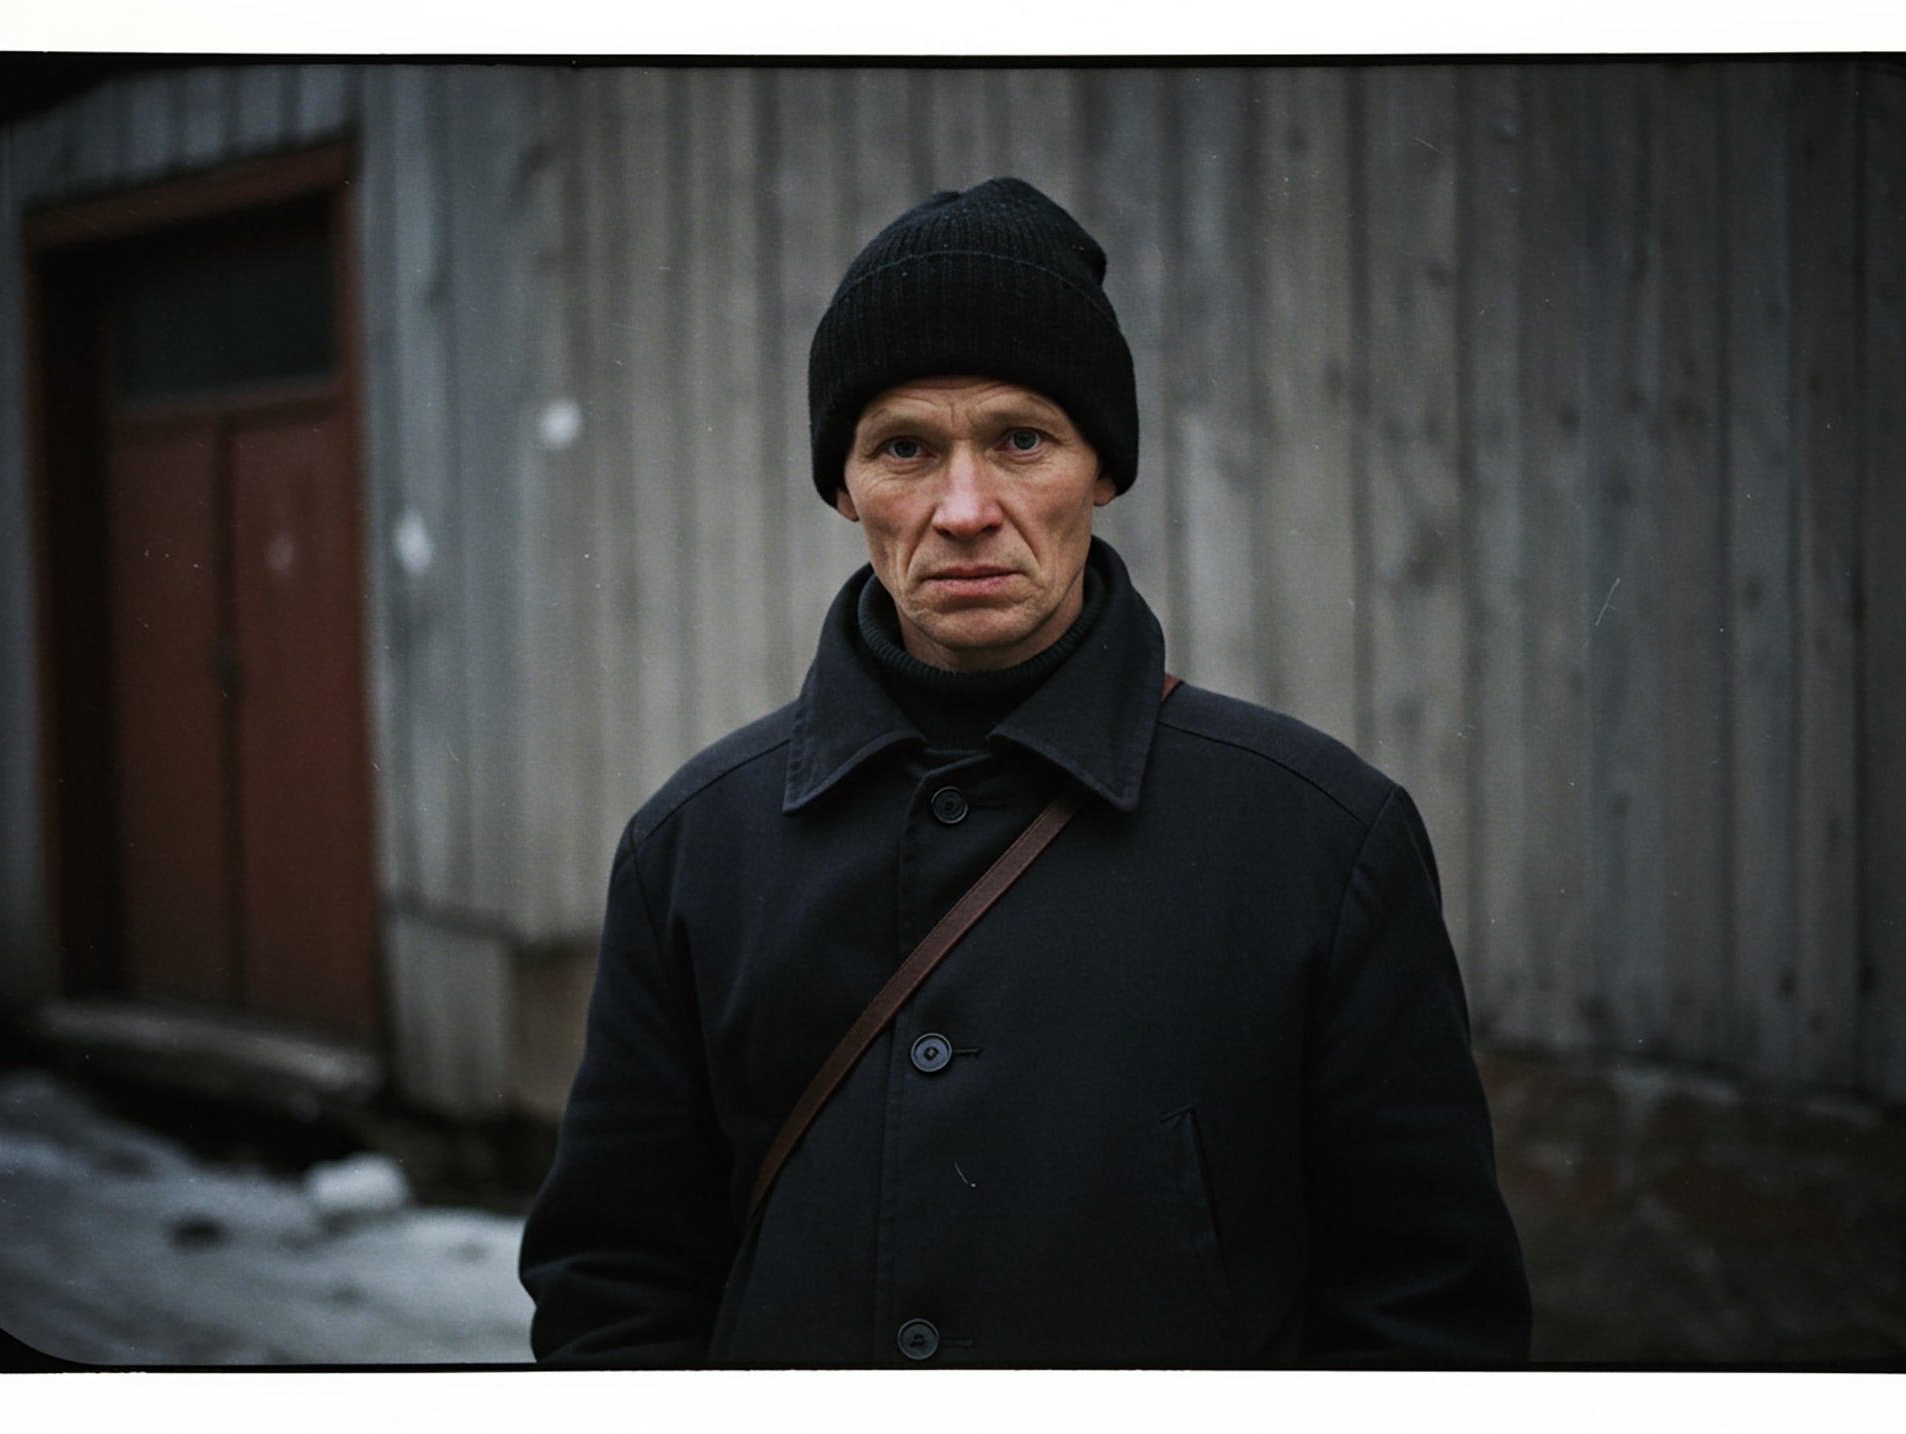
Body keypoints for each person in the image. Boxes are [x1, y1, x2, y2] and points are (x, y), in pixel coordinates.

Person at [518, 177, 1530, 1368]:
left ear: (1101, 468)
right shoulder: (693, 846)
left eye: (1020, 440)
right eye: (902, 447)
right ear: (842, 486)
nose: (962, 508)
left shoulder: (1320, 840)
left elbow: (1424, 1318)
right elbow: (614, 1288)